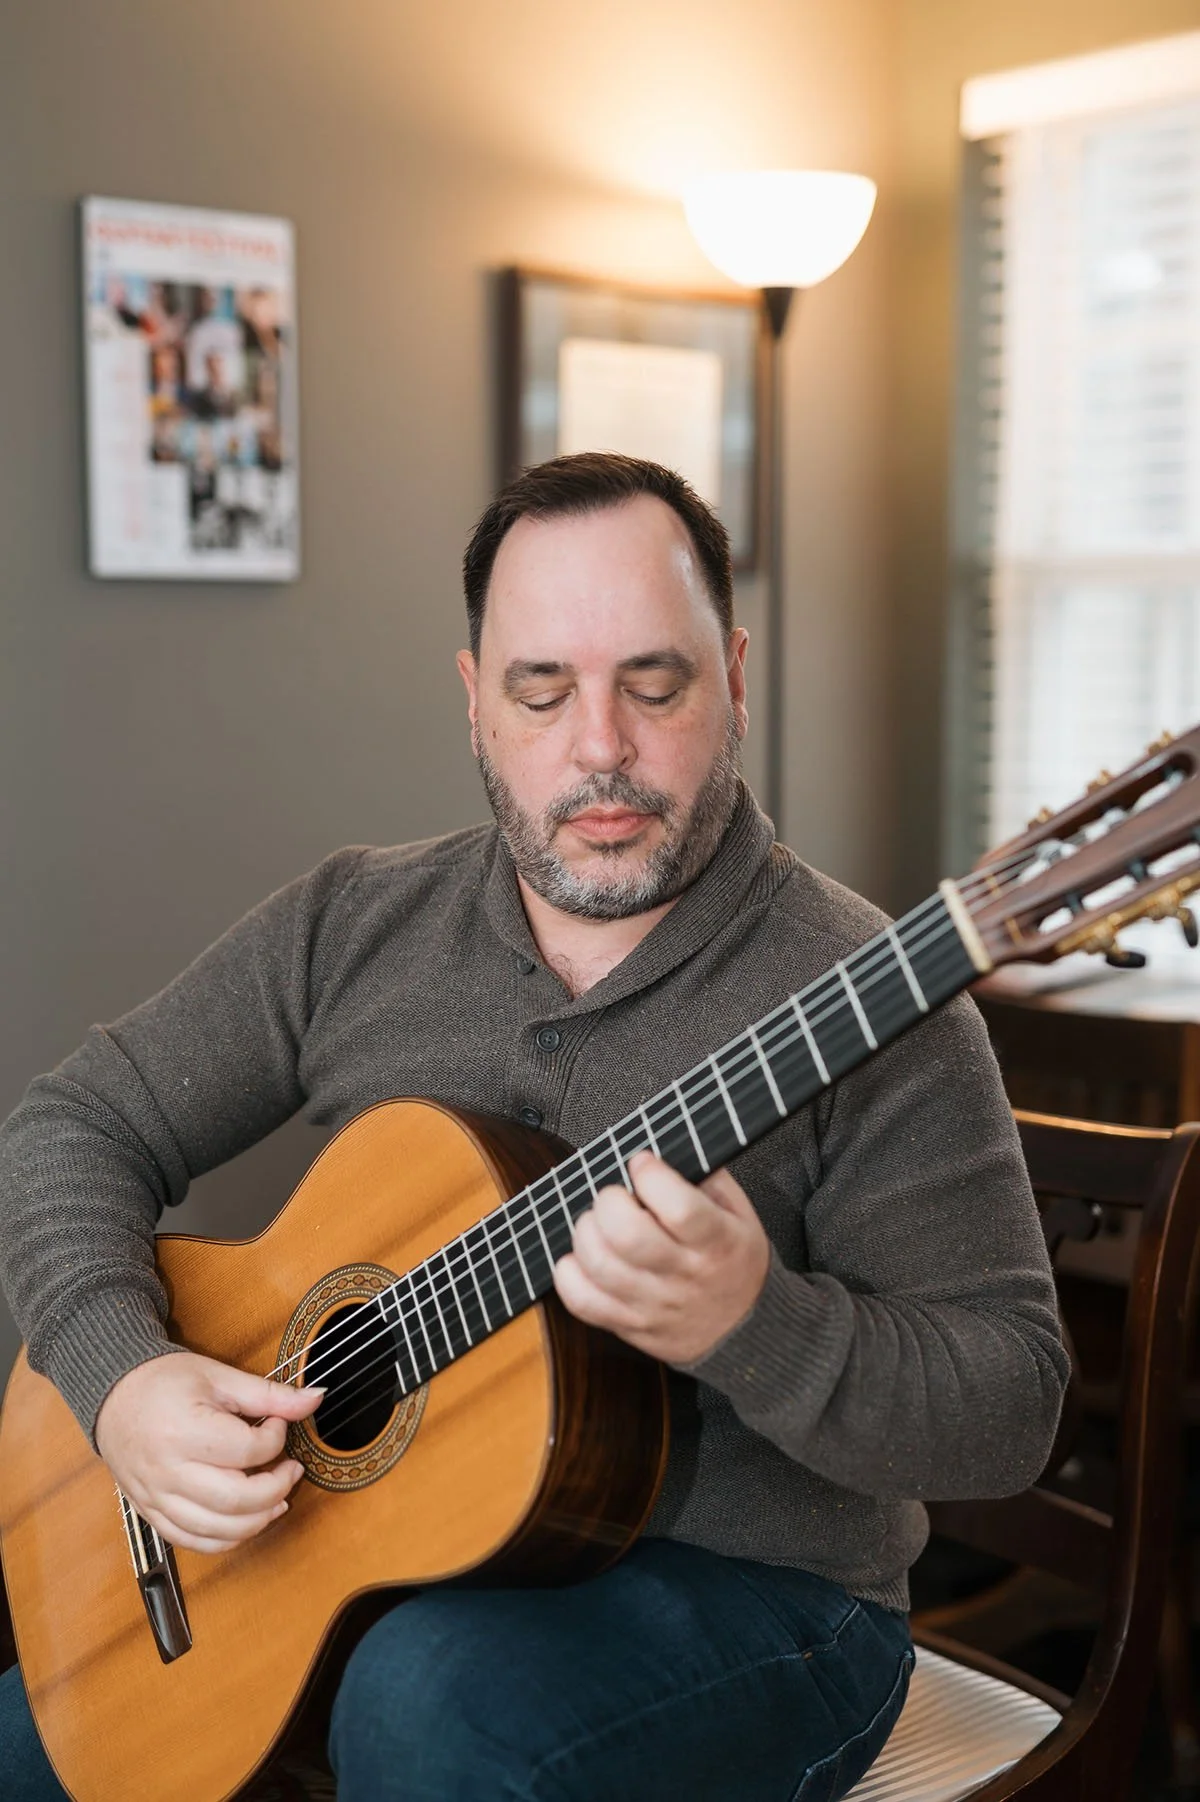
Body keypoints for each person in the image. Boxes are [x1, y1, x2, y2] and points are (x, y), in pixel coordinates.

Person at [0, 453, 1067, 1801]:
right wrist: (123, 1380)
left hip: (768, 1601)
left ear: (733, 674)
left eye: (656, 682)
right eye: (542, 688)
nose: (601, 744)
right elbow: (70, 1125)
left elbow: (1010, 1406)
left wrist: (759, 1321)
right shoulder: (352, 923)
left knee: (432, 1701)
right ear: (475, 704)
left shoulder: (874, 995)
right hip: (359, 1562)